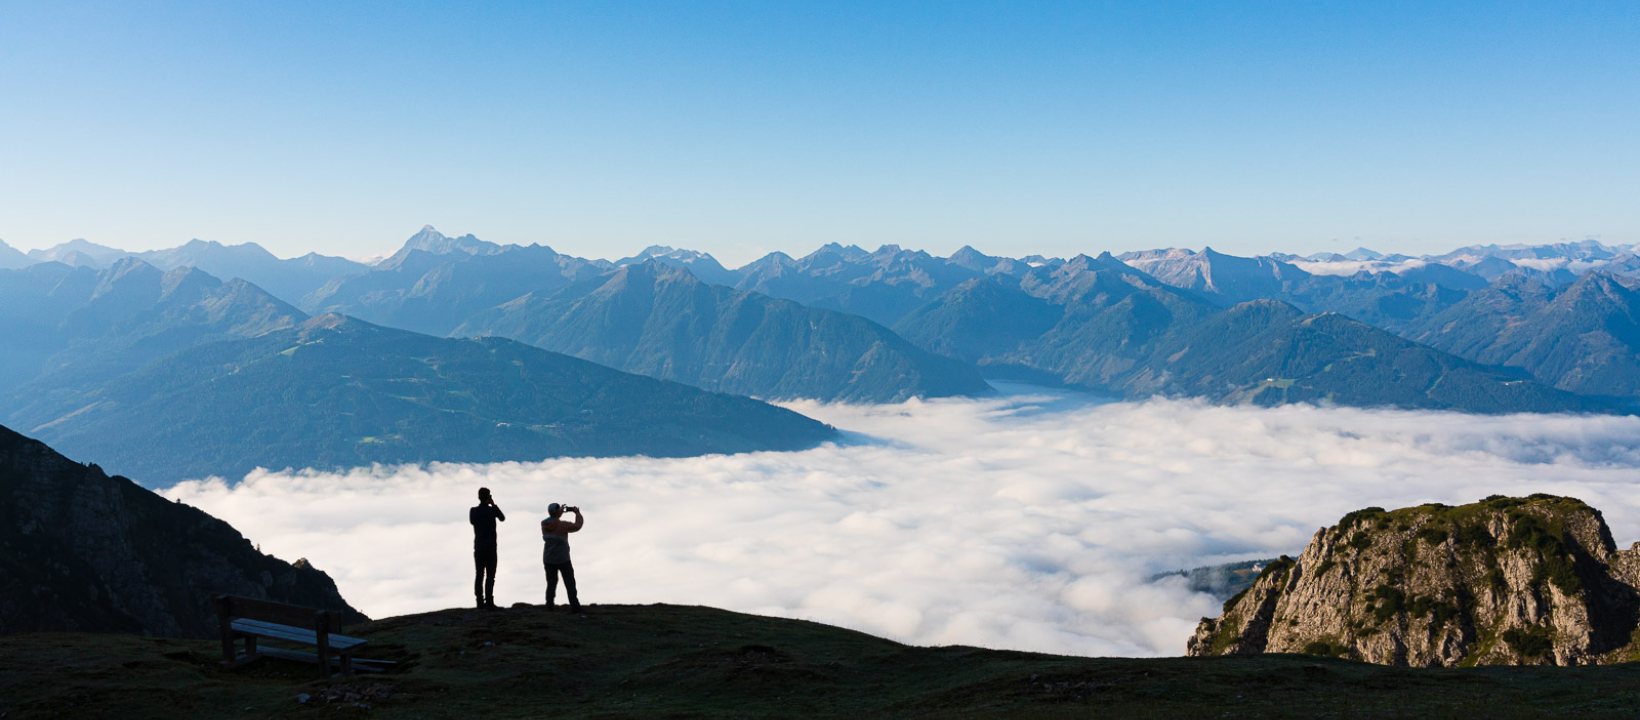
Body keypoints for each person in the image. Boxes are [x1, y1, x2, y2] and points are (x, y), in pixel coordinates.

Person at [541, 503, 584, 612]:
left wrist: (559, 511)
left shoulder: (544, 524)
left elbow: (554, 521)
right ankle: (575, 606)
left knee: (551, 583)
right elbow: (577, 526)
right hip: (563, 559)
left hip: (548, 559)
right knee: (570, 583)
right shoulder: (562, 525)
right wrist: (577, 513)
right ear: (558, 512)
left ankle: (549, 606)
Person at [470, 487, 506, 609]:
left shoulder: (473, 511)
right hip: (491, 548)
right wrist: (493, 505)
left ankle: (479, 602)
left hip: (479, 547)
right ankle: (489, 601)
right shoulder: (492, 511)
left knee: (479, 574)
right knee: (490, 576)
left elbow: (473, 521)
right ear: (488, 497)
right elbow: (502, 518)